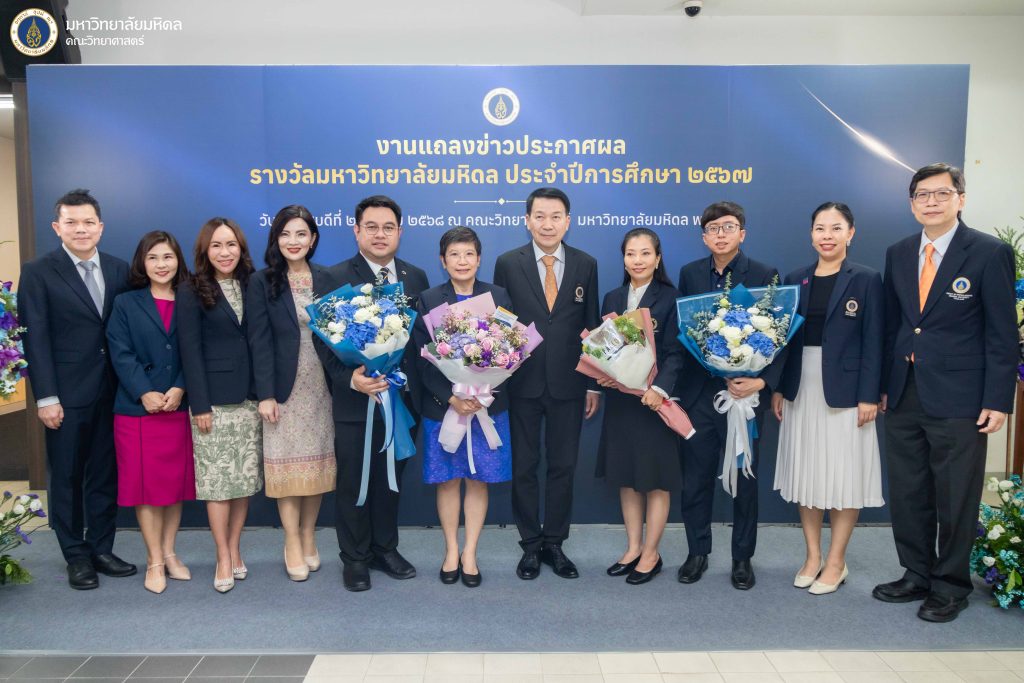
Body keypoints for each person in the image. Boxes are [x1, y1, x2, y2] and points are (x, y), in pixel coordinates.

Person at [873, 163, 1016, 622]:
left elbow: (1002, 333)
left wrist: (998, 399)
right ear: (911, 203)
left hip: (961, 396)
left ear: (961, 199)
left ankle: (951, 585)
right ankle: (916, 573)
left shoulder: (988, 252)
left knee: (955, 494)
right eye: (922, 195)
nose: (931, 202)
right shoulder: (898, 252)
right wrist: (883, 386)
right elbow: (893, 327)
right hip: (904, 391)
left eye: (941, 193)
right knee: (908, 490)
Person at [19, 189, 136, 590]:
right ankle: (75, 555)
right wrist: (46, 397)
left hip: (114, 393)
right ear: (57, 227)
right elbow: (35, 338)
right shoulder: (38, 272)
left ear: (100, 227)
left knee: (105, 475)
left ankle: (102, 548)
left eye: (88, 222)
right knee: (67, 477)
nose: (81, 229)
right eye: (71, 222)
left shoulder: (119, 269)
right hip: (65, 396)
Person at [317, 195, 429, 592]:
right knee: (354, 481)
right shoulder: (333, 277)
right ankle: (355, 557)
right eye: (371, 227)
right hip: (356, 400)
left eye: (388, 228)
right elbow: (322, 344)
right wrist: (351, 379)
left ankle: (385, 548)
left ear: (400, 231)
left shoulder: (416, 277)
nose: (380, 235)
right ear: (356, 230)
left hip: (401, 402)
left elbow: (421, 340)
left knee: (390, 478)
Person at [771, 202, 885, 595]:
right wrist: (780, 387)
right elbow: (786, 340)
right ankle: (812, 556)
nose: (827, 236)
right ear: (811, 234)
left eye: (836, 228)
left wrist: (869, 395)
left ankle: (836, 561)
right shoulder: (796, 279)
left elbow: (875, 340)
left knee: (843, 475)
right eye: (820, 228)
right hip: (801, 386)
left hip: (847, 392)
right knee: (808, 472)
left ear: (851, 233)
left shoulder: (866, 279)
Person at [493, 187, 600, 580]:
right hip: (522, 382)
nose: (548, 224)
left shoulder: (586, 264)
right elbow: (500, 325)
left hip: (570, 384)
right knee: (524, 466)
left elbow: (591, 326)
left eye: (556, 216)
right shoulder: (508, 263)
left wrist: (593, 384)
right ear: (527, 220)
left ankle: (555, 542)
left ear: (568, 221)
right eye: (539, 216)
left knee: (563, 466)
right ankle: (530, 545)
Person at [674, 201, 782, 590]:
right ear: (704, 237)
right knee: (695, 479)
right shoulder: (689, 273)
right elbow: (683, 332)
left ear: (742, 233)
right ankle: (697, 552)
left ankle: (742, 558)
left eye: (728, 227)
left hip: (744, 397)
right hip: (699, 396)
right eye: (713, 229)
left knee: (745, 480)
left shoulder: (764, 274)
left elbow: (780, 335)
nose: (721, 234)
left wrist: (762, 382)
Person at [412, 226, 513, 588]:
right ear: (443, 261)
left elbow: (511, 350)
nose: (462, 261)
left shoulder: (498, 295)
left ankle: (470, 552)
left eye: (469, 254)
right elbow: (422, 358)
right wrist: (452, 396)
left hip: (487, 406)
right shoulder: (429, 299)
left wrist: (482, 391)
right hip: (444, 407)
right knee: (448, 480)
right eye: (454, 254)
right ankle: (451, 551)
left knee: (479, 480)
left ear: (479, 258)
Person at [247, 205, 336, 582]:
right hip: (283, 386)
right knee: (287, 465)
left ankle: (308, 533)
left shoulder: (328, 278)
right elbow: (258, 340)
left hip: (322, 383)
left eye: (301, 234)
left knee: (316, 464)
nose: (293, 241)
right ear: (276, 239)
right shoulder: (261, 281)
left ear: (313, 239)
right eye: (285, 234)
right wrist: (265, 394)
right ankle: (291, 540)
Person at [106, 231, 196, 594]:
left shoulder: (191, 299)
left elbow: (197, 349)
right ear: (142, 263)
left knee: (173, 486)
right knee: (145, 489)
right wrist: (143, 391)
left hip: (177, 405)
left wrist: (180, 386)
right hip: (136, 409)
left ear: (178, 261)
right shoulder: (126, 303)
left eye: (168, 257)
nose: (161, 264)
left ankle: (170, 553)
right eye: (153, 257)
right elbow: (120, 352)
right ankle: (154, 560)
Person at [177, 218, 263, 593]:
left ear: (241, 249)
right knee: (217, 484)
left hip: (250, 399)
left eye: (231, 245)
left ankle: (236, 547)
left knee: (243, 481)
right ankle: (222, 555)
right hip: (212, 402)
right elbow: (190, 350)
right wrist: (199, 404)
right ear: (205, 250)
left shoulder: (254, 283)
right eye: (216, 245)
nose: (225, 252)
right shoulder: (191, 288)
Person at [595, 228, 683, 585]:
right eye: (631, 254)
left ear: (657, 259)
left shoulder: (671, 297)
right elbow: (602, 348)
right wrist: (602, 374)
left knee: (656, 480)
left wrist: (659, 389)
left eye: (645, 253)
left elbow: (677, 353)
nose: (638, 260)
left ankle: (651, 552)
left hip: (654, 403)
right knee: (628, 478)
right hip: (622, 403)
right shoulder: (613, 297)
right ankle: (633, 548)